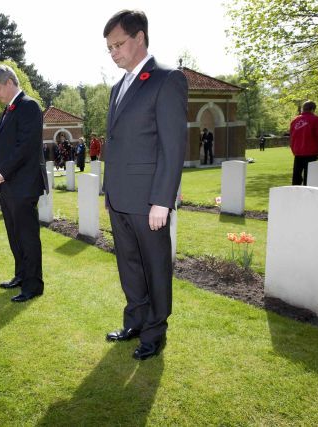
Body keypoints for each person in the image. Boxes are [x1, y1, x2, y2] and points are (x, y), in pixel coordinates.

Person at [102, 10, 187, 360]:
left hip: (149, 201)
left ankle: (155, 332)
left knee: (155, 267)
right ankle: (134, 321)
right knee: (129, 266)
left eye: (118, 44)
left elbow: (173, 145)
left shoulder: (166, 79)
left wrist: (161, 201)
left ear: (139, 38)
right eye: (109, 48)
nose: (113, 52)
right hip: (120, 197)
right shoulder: (117, 88)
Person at [0, 64, 48, 303]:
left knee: (27, 236)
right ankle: (21, 275)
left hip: (23, 184)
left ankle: (34, 285)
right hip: (9, 184)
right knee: (14, 234)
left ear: (10, 83)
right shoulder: (8, 110)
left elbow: (26, 146)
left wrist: (3, 170)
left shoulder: (29, 106)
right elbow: (5, 145)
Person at [290, 100, 318, 185]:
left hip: (298, 152)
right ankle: (307, 195)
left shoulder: (295, 120)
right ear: (313, 109)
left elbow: (291, 136)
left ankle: (295, 193)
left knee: (296, 176)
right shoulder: (316, 119)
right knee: (309, 176)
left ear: (303, 109)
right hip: (311, 152)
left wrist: (294, 149)